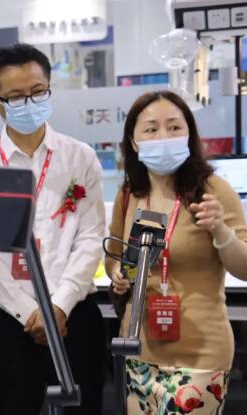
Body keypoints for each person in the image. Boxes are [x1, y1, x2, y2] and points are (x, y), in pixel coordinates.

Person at [0, 43, 106, 415]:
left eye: (38, 92)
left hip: (74, 315)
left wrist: (60, 305)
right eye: (17, 97)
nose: (30, 103)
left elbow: (90, 237)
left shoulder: (79, 156)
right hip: (9, 321)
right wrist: (28, 312)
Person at [106, 90, 247, 414]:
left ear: (189, 134)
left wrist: (220, 230)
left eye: (173, 127)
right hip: (140, 350)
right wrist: (118, 275)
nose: (164, 136)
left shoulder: (213, 190)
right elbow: (114, 256)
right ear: (134, 142)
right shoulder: (129, 194)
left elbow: (244, 269)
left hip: (201, 354)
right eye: (151, 129)